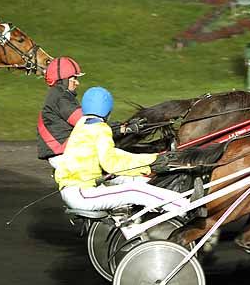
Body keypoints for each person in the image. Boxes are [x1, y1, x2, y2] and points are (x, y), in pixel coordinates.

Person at [55, 86, 189, 213]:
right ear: (108, 111)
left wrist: (151, 161)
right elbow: (111, 163)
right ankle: (187, 208)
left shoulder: (83, 125)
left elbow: (114, 154)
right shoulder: (100, 129)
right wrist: (151, 162)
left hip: (77, 190)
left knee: (140, 183)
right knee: (135, 190)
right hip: (82, 193)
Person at [37, 57, 142, 169]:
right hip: (65, 154)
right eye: (74, 79)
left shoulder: (58, 96)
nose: (77, 83)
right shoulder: (61, 99)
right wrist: (122, 129)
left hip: (64, 152)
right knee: (119, 164)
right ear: (63, 80)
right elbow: (90, 124)